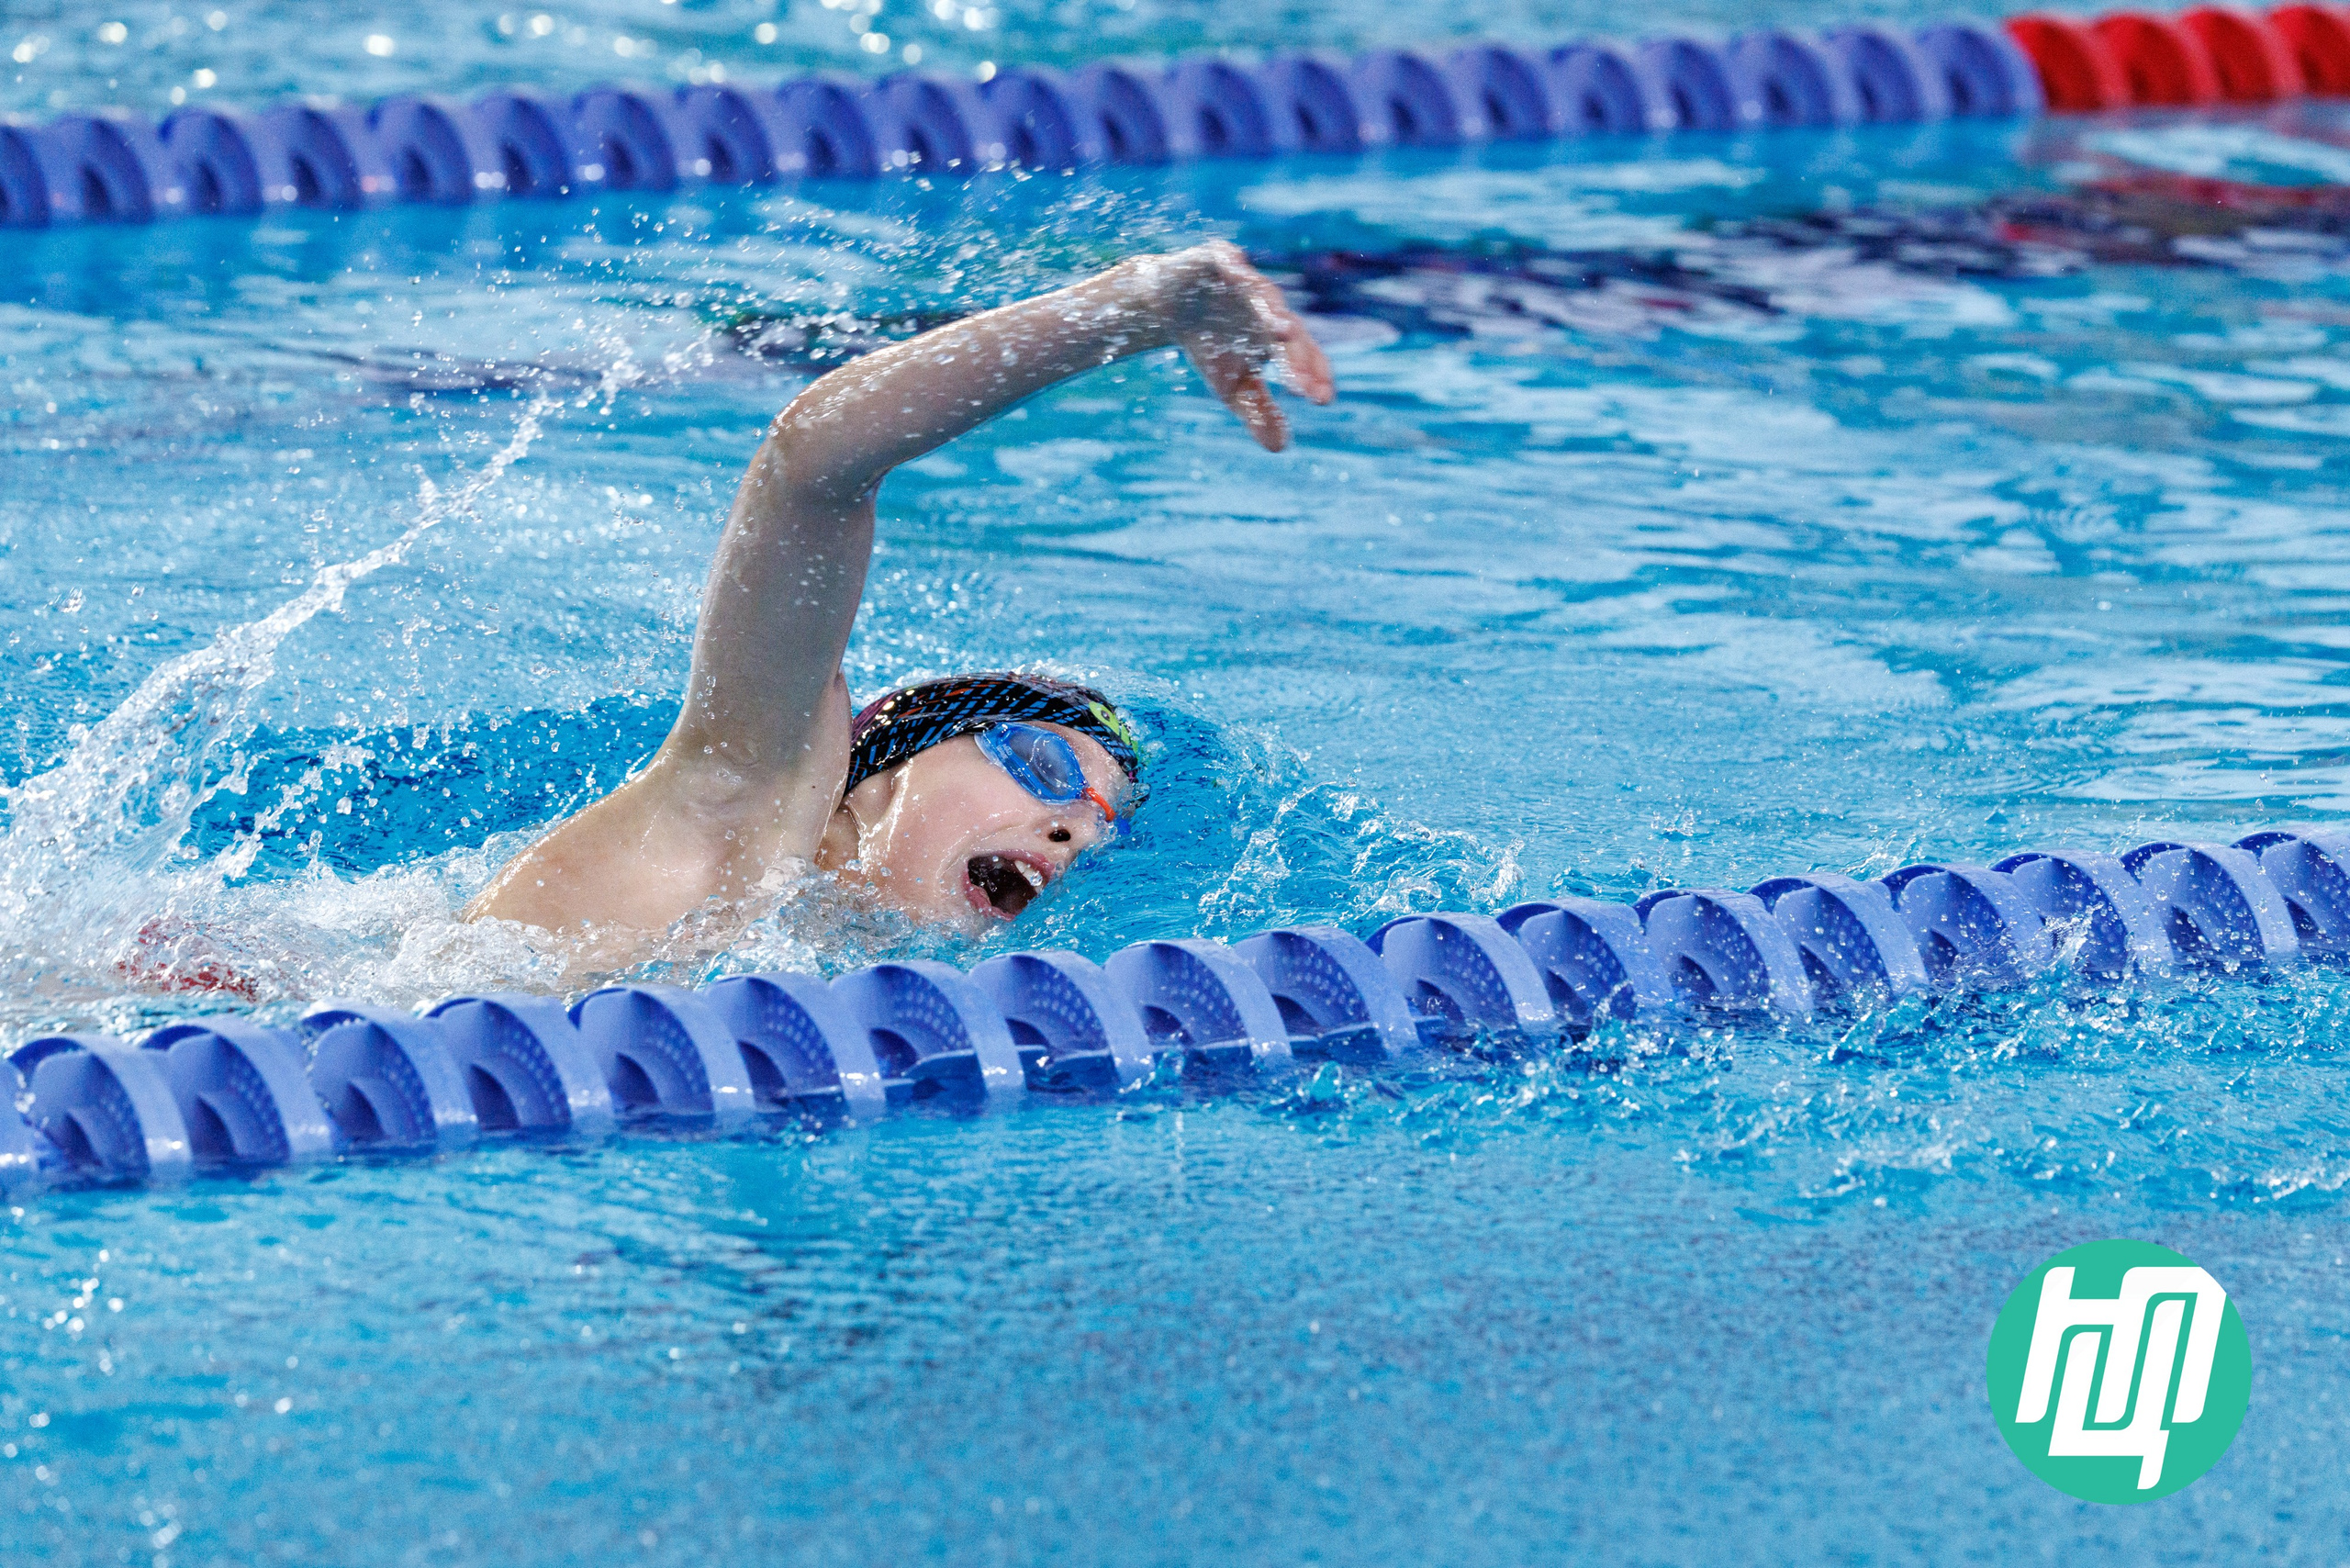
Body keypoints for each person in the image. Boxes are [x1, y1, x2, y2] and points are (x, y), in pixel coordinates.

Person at [465, 241, 1336, 944]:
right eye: (1045, 767)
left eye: (1099, 826)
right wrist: (1139, 307)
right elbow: (814, 462)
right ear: (876, 774)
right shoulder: (732, 818)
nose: (1073, 831)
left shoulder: (849, 969)